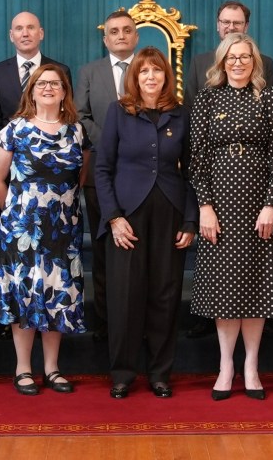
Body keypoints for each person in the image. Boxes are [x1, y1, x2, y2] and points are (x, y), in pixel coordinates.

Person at [190, 32, 273, 401]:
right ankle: (226, 366)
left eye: (245, 57)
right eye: (232, 57)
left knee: (256, 286)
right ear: (221, 62)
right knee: (225, 287)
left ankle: (251, 364)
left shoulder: (268, 96)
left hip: (259, 207)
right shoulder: (206, 99)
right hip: (218, 209)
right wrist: (204, 206)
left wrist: (271, 203)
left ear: (255, 62)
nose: (238, 63)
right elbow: (197, 159)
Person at [93, 48, 197, 399]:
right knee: (124, 296)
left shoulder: (181, 115)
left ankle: (160, 374)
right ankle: (122, 373)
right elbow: (102, 169)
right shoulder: (119, 113)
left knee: (165, 296)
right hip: (127, 217)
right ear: (134, 78)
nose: (151, 77)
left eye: (157, 71)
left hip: (169, 215)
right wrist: (113, 217)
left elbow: (192, 174)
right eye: (144, 72)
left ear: (167, 76)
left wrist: (190, 220)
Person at [0, 64, 87, 396]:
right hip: (23, 230)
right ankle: (23, 368)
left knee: (57, 294)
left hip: (64, 228)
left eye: (55, 83)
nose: (48, 88)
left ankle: (52, 368)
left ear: (64, 91)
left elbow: (80, 178)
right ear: (30, 91)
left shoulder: (76, 131)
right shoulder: (14, 129)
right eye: (41, 83)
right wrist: (14, 214)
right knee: (26, 294)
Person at [76, 9, 139, 341]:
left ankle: (135, 319)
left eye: (127, 30)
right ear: (105, 38)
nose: (120, 36)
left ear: (136, 36)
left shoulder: (149, 70)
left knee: (135, 247)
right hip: (99, 170)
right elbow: (80, 115)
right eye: (114, 31)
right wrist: (112, 139)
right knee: (102, 249)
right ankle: (104, 319)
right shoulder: (89, 72)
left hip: (141, 175)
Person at [0, 11, 72, 138]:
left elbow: (67, 113)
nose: (25, 34)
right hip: (9, 149)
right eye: (19, 29)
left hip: (51, 147)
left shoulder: (61, 71)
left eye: (30, 27)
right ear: (11, 35)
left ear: (41, 33)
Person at [184, 0, 273, 106]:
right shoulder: (199, 62)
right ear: (218, 25)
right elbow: (190, 108)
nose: (231, 27)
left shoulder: (265, 63)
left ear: (246, 26)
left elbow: (271, 106)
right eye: (226, 22)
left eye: (237, 23)